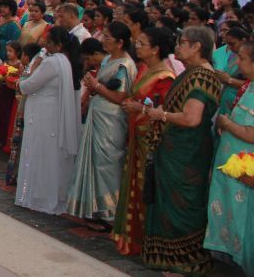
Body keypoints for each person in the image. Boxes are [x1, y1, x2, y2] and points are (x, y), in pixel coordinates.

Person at [136, 26, 222, 274]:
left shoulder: (201, 77)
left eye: (182, 42)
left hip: (187, 151)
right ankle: (170, 258)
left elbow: (191, 118)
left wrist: (160, 114)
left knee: (183, 203)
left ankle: (185, 261)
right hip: (176, 147)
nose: (177, 46)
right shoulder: (190, 73)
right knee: (169, 201)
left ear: (197, 47)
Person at [112, 27, 178, 256]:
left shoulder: (165, 77)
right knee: (132, 183)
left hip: (150, 139)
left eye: (142, 44)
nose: (137, 47)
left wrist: (138, 108)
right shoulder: (144, 69)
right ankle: (131, 236)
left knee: (144, 186)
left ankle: (146, 238)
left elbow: (164, 110)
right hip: (136, 136)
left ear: (156, 49)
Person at [65, 21, 137, 227]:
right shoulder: (107, 60)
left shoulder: (125, 65)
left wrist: (96, 85)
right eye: (103, 36)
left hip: (112, 119)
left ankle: (109, 212)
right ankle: (93, 208)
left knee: (107, 163)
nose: (103, 41)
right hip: (98, 113)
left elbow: (120, 97)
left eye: (108, 37)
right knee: (94, 160)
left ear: (120, 42)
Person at [14, 26, 81, 215]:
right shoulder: (64, 61)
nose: (44, 44)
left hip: (43, 113)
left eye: (48, 42)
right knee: (49, 153)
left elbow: (30, 84)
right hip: (50, 111)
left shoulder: (51, 62)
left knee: (40, 151)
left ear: (57, 45)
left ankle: (38, 196)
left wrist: (22, 79)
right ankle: (46, 194)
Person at [204, 40, 254, 274]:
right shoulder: (249, 86)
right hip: (234, 167)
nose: (237, 63)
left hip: (246, 171)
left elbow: (251, 133)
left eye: (242, 58)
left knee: (244, 221)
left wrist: (226, 123)